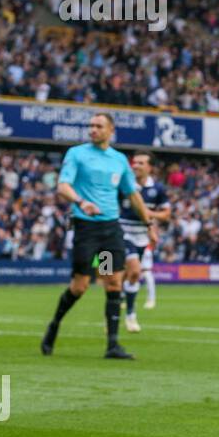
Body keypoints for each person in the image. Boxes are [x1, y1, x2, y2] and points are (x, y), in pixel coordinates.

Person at [40, 112, 151, 359]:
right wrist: (82, 201)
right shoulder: (77, 154)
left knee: (112, 281)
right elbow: (63, 186)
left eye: (98, 126)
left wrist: (149, 222)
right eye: (90, 125)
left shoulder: (119, 160)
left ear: (111, 130)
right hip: (86, 228)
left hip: (109, 230)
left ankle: (112, 345)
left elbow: (132, 194)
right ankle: (54, 325)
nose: (92, 129)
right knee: (80, 286)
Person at [120, 151, 171, 332]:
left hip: (141, 237)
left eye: (141, 163)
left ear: (150, 167)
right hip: (120, 233)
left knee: (131, 276)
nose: (136, 166)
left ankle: (122, 308)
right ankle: (127, 314)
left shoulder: (157, 189)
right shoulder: (124, 184)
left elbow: (166, 214)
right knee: (110, 273)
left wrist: (149, 216)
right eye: (134, 163)